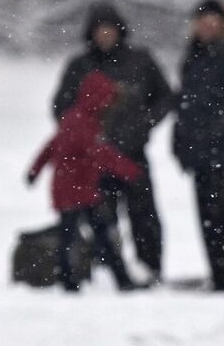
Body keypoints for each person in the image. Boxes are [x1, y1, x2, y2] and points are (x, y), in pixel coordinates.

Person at [51, 1, 174, 283]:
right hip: (93, 159)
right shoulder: (80, 66)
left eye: (109, 29)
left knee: (144, 216)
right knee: (100, 219)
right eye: (99, 30)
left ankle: (150, 268)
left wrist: (145, 123)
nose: (105, 35)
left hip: (132, 153)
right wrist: (80, 134)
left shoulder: (140, 61)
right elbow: (61, 106)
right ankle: (107, 271)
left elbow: (165, 97)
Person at [27, 73, 142, 292]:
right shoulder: (83, 122)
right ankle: (109, 279)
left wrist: (35, 170)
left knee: (75, 234)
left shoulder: (75, 117)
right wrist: (129, 171)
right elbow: (98, 153)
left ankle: (79, 279)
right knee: (84, 234)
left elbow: (51, 146)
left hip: (77, 188)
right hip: (76, 189)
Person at [171, 0, 224, 292]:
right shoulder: (193, 57)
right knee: (206, 218)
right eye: (201, 22)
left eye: (212, 22)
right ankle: (217, 275)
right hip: (199, 154)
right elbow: (184, 105)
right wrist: (180, 144)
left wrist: (212, 135)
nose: (206, 27)